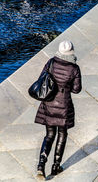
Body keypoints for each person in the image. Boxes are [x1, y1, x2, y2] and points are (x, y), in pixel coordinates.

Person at [34, 40, 82, 178]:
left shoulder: (51, 62)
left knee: (49, 135)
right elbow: (76, 89)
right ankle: (56, 166)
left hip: (48, 104)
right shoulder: (74, 68)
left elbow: (41, 79)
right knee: (62, 134)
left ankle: (41, 165)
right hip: (64, 106)